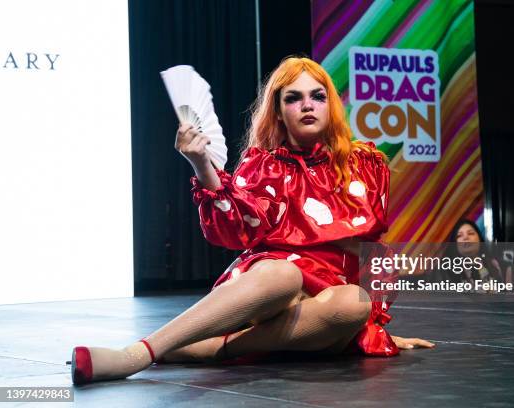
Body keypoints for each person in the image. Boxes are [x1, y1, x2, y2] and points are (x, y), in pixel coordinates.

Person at [70, 57, 433, 385]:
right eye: (293, 98)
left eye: (317, 96)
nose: (307, 105)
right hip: (270, 293)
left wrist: (376, 327)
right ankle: (140, 354)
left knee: (356, 302)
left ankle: (211, 348)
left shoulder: (365, 164)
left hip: (327, 305)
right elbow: (233, 230)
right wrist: (201, 165)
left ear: (331, 105)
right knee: (283, 273)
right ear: (278, 110)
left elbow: (369, 251)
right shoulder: (264, 165)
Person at [442, 219, 503, 291]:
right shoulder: (446, 269)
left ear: (479, 239)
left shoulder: (496, 264)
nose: (465, 238)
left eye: (470, 233)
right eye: (459, 235)